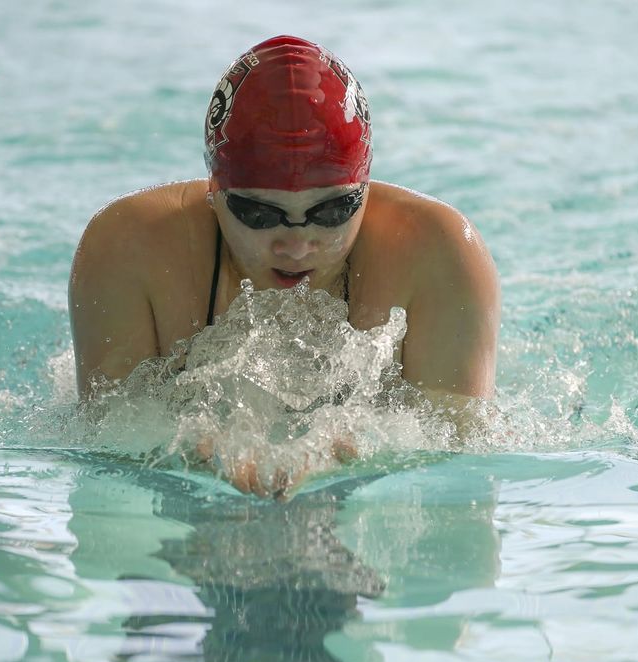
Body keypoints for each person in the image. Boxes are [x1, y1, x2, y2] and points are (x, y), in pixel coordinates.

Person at [70, 35, 500, 492]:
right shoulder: (128, 248)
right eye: (260, 214)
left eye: (332, 211)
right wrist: (182, 455)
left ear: (366, 186)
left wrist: (361, 458)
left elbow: (460, 458)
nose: (297, 246)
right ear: (214, 189)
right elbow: (104, 450)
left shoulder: (440, 255)